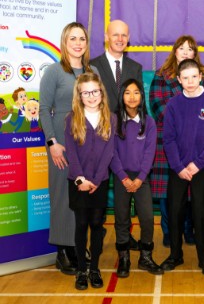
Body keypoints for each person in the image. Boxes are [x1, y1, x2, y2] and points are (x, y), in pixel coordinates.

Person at [40, 22, 98, 275]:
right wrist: (52, 143)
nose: (77, 43)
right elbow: (43, 109)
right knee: (63, 197)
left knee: (81, 197)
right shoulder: (54, 71)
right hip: (61, 145)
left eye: (82, 38)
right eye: (72, 38)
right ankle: (63, 251)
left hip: (85, 143)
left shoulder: (92, 70)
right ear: (65, 42)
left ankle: (76, 244)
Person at [149, 35, 204, 247]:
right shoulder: (162, 75)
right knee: (169, 193)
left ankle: (189, 229)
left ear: (195, 53)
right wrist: (184, 117)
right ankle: (170, 231)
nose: (186, 52)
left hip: (198, 145)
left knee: (193, 193)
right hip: (168, 143)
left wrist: (190, 119)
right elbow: (158, 107)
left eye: (190, 49)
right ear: (174, 51)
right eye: (181, 48)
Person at [160, 59, 204, 276]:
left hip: (200, 168)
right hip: (178, 169)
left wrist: (197, 164)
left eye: (194, 77)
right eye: (185, 78)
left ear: (200, 77)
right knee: (175, 211)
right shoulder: (174, 105)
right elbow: (168, 139)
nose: (190, 81)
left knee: (200, 213)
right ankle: (175, 255)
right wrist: (179, 167)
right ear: (178, 80)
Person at [91, 19, 142, 249]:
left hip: (125, 141)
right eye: (115, 35)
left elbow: (138, 105)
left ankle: (125, 235)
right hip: (99, 139)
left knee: (124, 194)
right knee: (99, 190)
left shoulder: (135, 68)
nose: (120, 39)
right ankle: (96, 235)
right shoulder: (92, 66)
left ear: (128, 38)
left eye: (124, 35)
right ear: (106, 36)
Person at [64, 72, 116, 290]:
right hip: (78, 181)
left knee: (96, 224)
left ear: (101, 93)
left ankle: (94, 268)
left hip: (99, 181)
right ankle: (81, 270)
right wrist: (80, 179)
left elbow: (109, 152)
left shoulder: (111, 118)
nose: (91, 96)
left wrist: (95, 180)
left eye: (95, 91)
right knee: (81, 224)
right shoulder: (71, 118)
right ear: (79, 95)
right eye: (86, 93)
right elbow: (72, 153)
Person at [110, 79, 163, 277]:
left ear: (142, 96)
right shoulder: (114, 121)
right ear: (121, 96)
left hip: (142, 178)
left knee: (147, 217)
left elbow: (150, 153)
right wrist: (123, 177)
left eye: (136, 92)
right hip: (121, 177)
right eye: (127, 92)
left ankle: (146, 257)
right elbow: (112, 153)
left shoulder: (148, 122)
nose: (132, 97)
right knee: (121, 218)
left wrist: (140, 178)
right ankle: (124, 258)